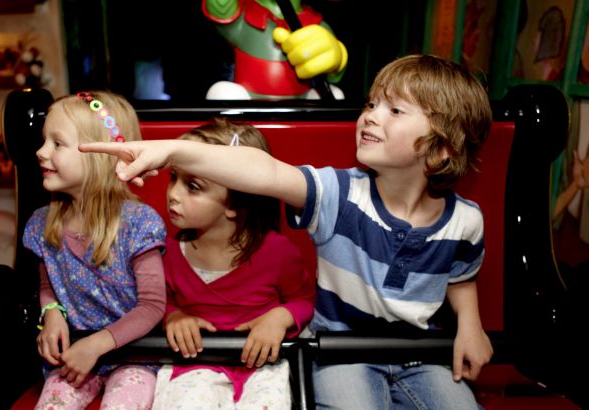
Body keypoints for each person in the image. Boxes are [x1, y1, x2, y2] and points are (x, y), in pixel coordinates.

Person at [80, 54, 495, 409]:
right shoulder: (337, 194)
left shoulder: (466, 221)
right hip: (341, 354)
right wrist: (174, 149)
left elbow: (460, 276)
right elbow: (262, 172)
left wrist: (470, 328)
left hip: (423, 354)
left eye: (395, 110)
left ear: (442, 148)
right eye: (372, 103)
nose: (370, 114)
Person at [151, 118, 315, 409]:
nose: (173, 194)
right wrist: (174, 317)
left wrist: (280, 316)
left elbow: (304, 300)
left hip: (263, 364)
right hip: (194, 364)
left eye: (192, 185)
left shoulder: (278, 253)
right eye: (173, 177)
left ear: (236, 204)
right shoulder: (166, 252)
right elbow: (157, 301)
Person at [23, 91, 166, 410]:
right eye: (44, 140)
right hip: (73, 357)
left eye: (57, 143)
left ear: (99, 155)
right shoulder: (41, 224)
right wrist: (52, 314)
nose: (40, 151)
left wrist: (97, 345)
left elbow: (153, 306)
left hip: (135, 357)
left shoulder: (139, 224)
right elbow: (48, 288)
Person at [203, 0, 347, 100]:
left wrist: (338, 58)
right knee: (222, 93)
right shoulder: (243, 14)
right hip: (245, 108)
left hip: (301, 107)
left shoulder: (316, 23)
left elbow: (333, 75)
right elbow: (219, 6)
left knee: (336, 95)